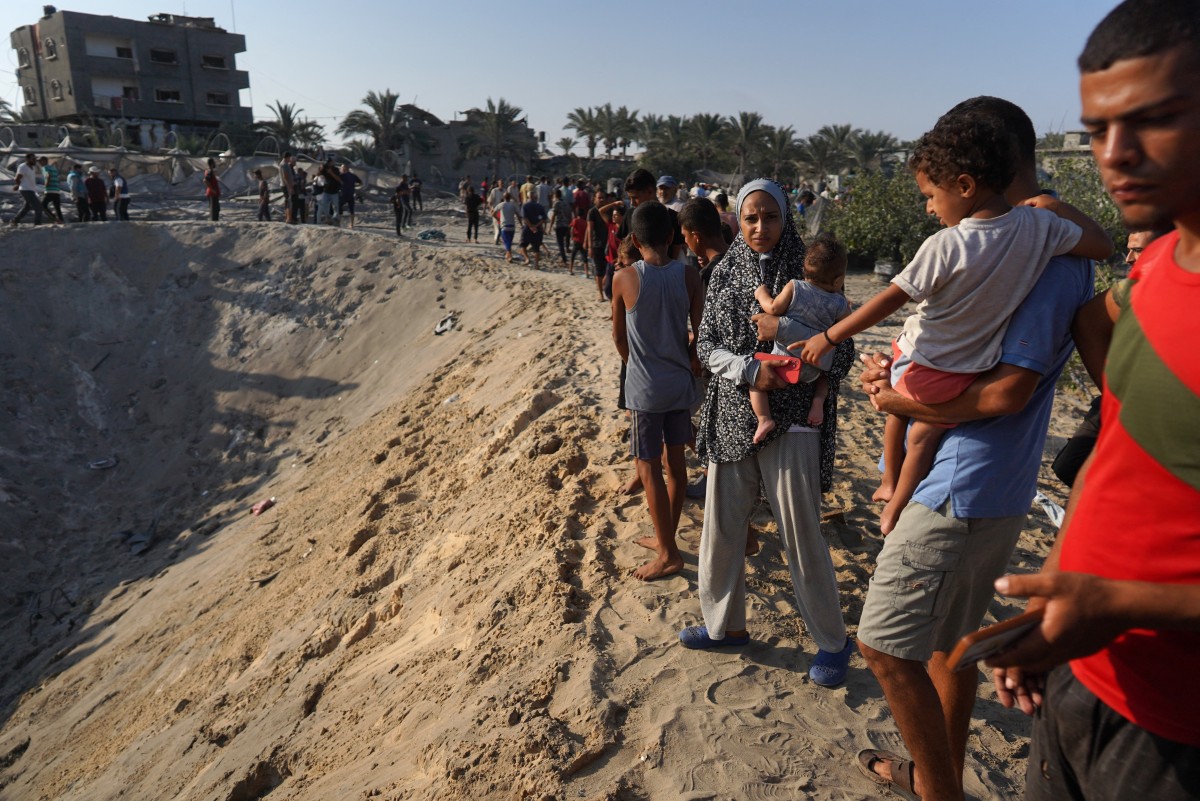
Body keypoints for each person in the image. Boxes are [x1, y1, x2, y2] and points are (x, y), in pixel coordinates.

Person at [846, 96, 1102, 801]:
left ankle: (940, 792)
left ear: (979, 169)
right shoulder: (1026, 242)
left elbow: (1005, 394)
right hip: (993, 486)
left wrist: (902, 400)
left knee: (881, 644)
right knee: (945, 648)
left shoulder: (1046, 252)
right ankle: (935, 773)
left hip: (965, 483)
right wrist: (898, 370)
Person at [986, 5, 1200, 800]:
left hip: (1174, 732)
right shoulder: (1154, 272)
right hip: (1079, 682)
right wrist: (1060, 593)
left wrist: (1114, 602)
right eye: (1098, 127)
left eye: (1155, 119)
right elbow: (1116, 458)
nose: (1114, 156)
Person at [800, 108, 1111, 535]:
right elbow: (1102, 245)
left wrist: (831, 334)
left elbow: (892, 298)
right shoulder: (1042, 227)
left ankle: (890, 484)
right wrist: (1056, 207)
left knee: (897, 410)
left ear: (965, 186)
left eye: (930, 195)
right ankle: (896, 500)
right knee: (924, 432)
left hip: (924, 358)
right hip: (967, 370)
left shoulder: (947, 243)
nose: (929, 208)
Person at [681, 179, 854, 690]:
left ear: (787, 218)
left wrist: (790, 334)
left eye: (771, 217)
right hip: (736, 412)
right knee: (723, 527)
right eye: (751, 217)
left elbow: (840, 353)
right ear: (738, 217)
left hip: (797, 420)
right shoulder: (727, 270)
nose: (760, 227)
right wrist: (747, 371)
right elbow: (707, 345)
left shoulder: (815, 270)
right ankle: (724, 626)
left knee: (801, 533)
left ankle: (832, 641)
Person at [611, 202, 704, 581]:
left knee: (647, 467)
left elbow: (619, 337)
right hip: (679, 385)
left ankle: (668, 551)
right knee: (676, 466)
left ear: (634, 239)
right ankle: (666, 536)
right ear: (671, 237)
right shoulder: (689, 276)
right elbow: (698, 336)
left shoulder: (624, 277)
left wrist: (634, 363)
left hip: (645, 389)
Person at [750, 235, 852, 442]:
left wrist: (761, 294)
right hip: (813, 367)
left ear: (804, 270)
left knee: (754, 381)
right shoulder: (838, 302)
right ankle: (817, 402)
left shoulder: (794, 286)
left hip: (782, 362)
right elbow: (846, 328)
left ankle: (764, 418)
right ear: (838, 280)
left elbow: (773, 309)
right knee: (826, 378)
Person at [584, 189, 611, 298]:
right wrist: (589, 246)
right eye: (599, 197)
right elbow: (589, 229)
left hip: (608, 244)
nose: (601, 200)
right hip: (596, 245)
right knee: (599, 270)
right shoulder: (592, 212)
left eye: (603, 197)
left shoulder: (608, 211)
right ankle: (600, 293)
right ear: (594, 199)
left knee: (607, 269)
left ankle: (604, 287)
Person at [12, 153, 42, 226]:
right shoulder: (23, 167)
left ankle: (15, 220)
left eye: (35, 159)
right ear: (28, 159)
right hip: (26, 189)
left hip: (31, 190)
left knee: (27, 207)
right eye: (33, 159)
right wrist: (17, 185)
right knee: (38, 207)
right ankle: (37, 223)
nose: (35, 160)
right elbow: (17, 178)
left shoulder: (32, 167)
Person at [520, 192, 547, 267]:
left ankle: (527, 258)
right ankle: (536, 264)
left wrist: (531, 226)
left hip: (528, 228)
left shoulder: (525, 206)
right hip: (538, 229)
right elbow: (543, 219)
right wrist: (536, 226)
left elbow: (525, 218)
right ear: (536, 198)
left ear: (528, 197)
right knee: (536, 247)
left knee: (523, 245)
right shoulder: (540, 206)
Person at [550, 188, 573, 268]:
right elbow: (569, 214)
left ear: (555, 195)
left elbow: (553, 215)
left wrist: (550, 227)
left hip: (559, 225)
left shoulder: (556, 203)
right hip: (566, 224)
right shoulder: (566, 203)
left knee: (560, 244)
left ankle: (564, 260)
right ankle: (563, 257)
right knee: (563, 242)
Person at [38, 157, 64, 224]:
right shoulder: (53, 168)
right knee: (57, 207)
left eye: (40, 161)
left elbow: (48, 175)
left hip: (50, 190)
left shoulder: (45, 168)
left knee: (43, 205)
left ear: (44, 161)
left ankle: (54, 218)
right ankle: (61, 220)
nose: (39, 163)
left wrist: (46, 184)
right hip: (56, 190)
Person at [494, 192, 519, 261]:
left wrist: (498, 219)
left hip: (504, 226)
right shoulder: (513, 205)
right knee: (509, 242)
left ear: (504, 197)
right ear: (510, 198)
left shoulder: (501, 205)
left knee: (506, 241)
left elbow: (493, 213)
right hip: (512, 226)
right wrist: (521, 224)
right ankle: (508, 254)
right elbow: (518, 215)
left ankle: (509, 255)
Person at [317, 159, 340, 225]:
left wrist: (331, 173)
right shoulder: (325, 169)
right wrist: (321, 169)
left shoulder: (336, 169)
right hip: (326, 190)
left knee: (335, 207)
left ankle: (336, 220)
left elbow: (338, 178)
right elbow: (318, 174)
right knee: (323, 204)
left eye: (330, 162)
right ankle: (328, 217)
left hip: (334, 191)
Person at [568, 207, 588, 275]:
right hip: (583, 241)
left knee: (573, 256)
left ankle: (570, 270)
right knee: (584, 257)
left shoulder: (575, 220)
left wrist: (571, 236)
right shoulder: (585, 222)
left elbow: (572, 228)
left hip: (576, 240)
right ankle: (586, 272)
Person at [279, 152, 296, 224]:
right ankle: (289, 218)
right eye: (289, 158)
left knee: (287, 201)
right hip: (286, 186)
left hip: (286, 185)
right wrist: (290, 187)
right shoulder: (284, 165)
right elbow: (285, 177)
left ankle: (288, 218)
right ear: (287, 157)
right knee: (289, 202)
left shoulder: (284, 164)